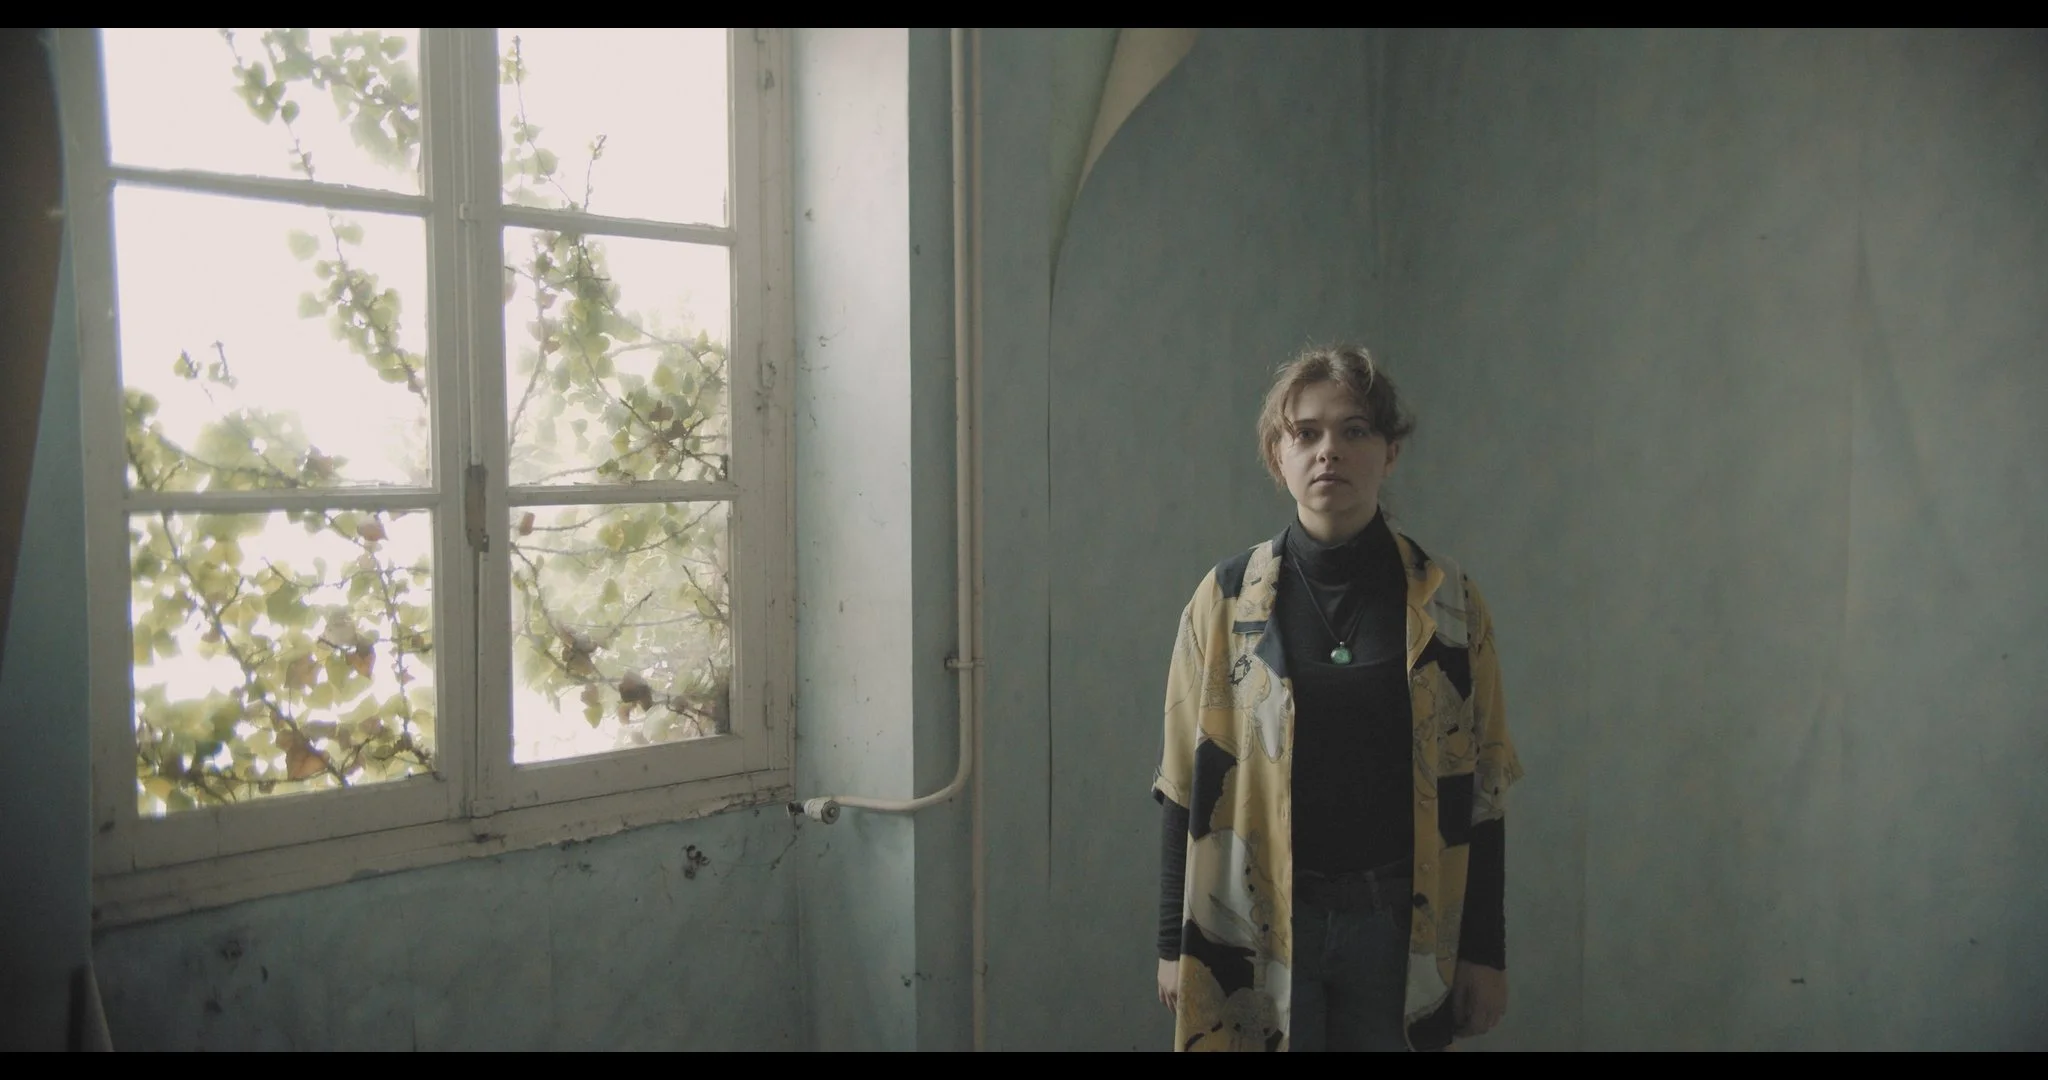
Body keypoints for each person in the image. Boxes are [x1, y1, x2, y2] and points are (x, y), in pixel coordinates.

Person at [1150, 345, 1523, 1052]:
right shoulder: (1225, 601)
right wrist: (1175, 941)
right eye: (1307, 433)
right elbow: (1182, 783)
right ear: (1277, 455)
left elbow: (1481, 796)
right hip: (1251, 931)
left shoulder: (1450, 607)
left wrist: (1485, 951)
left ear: (1390, 453)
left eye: (1354, 431)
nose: (1330, 451)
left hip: (1398, 934)